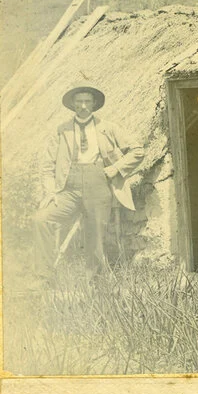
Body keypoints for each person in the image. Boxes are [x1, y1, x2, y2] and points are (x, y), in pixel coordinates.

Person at [32, 84, 145, 280]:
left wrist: (115, 168)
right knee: (41, 219)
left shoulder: (108, 128)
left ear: (94, 104)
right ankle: (45, 276)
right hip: (68, 188)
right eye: (79, 102)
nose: (83, 106)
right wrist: (50, 191)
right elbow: (47, 165)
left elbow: (138, 150)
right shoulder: (61, 131)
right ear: (72, 105)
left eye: (87, 101)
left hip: (98, 183)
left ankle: (95, 282)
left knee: (96, 235)